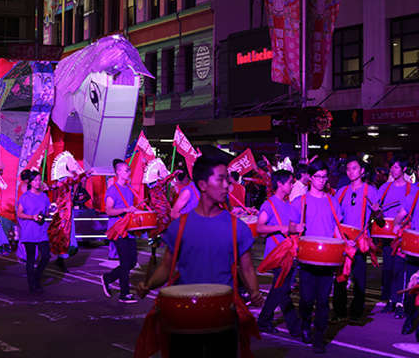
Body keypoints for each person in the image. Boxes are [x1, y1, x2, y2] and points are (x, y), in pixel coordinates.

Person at [136, 153, 262, 357]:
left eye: (227, 180)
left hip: (223, 315)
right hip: (185, 316)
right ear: (202, 185)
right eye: (220, 179)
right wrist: (148, 285)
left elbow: (246, 267)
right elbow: (166, 267)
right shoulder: (179, 226)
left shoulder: (237, 227)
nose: (226, 186)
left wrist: (255, 291)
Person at [291, 160, 344, 354]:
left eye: (324, 176)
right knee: (306, 298)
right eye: (317, 177)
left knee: (323, 301)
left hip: (328, 260)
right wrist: (296, 229)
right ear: (310, 178)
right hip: (306, 260)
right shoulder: (300, 201)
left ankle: (319, 337)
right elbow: (291, 228)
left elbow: (338, 229)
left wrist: (345, 244)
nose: (321, 180)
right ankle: (305, 324)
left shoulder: (333, 201)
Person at [256, 169, 303, 336]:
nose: (292, 185)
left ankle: (264, 321)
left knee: (280, 290)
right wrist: (279, 228)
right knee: (281, 290)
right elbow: (260, 228)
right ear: (280, 184)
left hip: (290, 254)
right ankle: (294, 327)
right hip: (277, 254)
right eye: (290, 182)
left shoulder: (290, 205)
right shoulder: (268, 204)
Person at [333, 157, 379, 324]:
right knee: (340, 277)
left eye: (354, 168)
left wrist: (377, 212)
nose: (350, 171)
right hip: (344, 241)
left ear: (362, 171)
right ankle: (339, 311)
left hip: (360, 241)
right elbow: (335, 216)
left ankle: (356, 312)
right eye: (348, 169)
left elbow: (378, 219)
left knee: (359, 278)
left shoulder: (371, 191)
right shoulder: (342, 191)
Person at [377, 155, 415, 316]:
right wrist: (376, 211)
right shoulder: (384, 187)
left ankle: (398, 302)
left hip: (402, 235)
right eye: (392, 167)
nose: (393, 170)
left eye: (397, 167)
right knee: (389, 269)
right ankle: (390, 300)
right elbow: (378, 211)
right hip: (387, 235)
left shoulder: (411, 188)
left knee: (400, 269)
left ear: (404, 169)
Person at [101, 159, 140, 303]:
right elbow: (108, 210)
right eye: (126, 170)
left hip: (129, 229)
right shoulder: (113, 190)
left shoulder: (129, 189)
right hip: (118, 230)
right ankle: (124, 294)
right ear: (118, 172)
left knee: (132, 262)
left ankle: (108, 278)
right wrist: (125, 209)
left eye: (129, 170)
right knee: (125, 262)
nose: (129, 172)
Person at [16, 170, 51, 294]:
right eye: (35, 180)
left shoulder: (44, 196)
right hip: (29, 231)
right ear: (30, 182)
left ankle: (37, 277)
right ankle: (32, 284)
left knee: (46, 256)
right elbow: (19, 213)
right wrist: (32, 217)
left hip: (42, 231)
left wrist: (52, 211)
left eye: (39, 180)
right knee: (31, 259)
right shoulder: (24, 197)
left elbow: (47, 212)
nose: (38, 182)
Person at [393, 185, 419, 338]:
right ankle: (410, 317)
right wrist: (396, 224)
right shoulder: (415, 195)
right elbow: (401, 214)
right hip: (414, 247)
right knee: (412, 285)